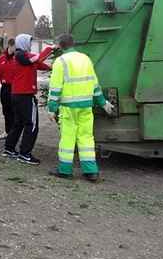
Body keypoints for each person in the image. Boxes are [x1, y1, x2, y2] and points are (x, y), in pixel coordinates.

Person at [47, 33, 115, 182]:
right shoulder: (86, 59)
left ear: (60, 45)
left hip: (68, 108)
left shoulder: (60, 62)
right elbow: (94, 84)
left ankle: (65, 170)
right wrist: (103, 103)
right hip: (86, 106)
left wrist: (51, 109)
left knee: (68, 138)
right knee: (86, 138)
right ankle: (91, 171)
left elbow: (55, 89)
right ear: (73, 44)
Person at [2, 34, 53, 165]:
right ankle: (25, 154)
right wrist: (52, 48)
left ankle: (9, 148)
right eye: (29, 42)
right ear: (23, 43)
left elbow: (39, 64)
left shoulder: (23, 58)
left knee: (18, 123)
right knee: (32, 124)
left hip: (17, 95)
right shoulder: (21, 55)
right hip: (25, 95)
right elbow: (39, 58)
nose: (30, 44)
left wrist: (52, 67)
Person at [0, 38, 16, 140]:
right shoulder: (2, 58)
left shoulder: (18, 58)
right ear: (10, 46)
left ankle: (14, 133)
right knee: (6, 111)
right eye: (15, 47)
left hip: (15, 88)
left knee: (14, 111)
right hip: (5, 88)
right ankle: (7, 131)